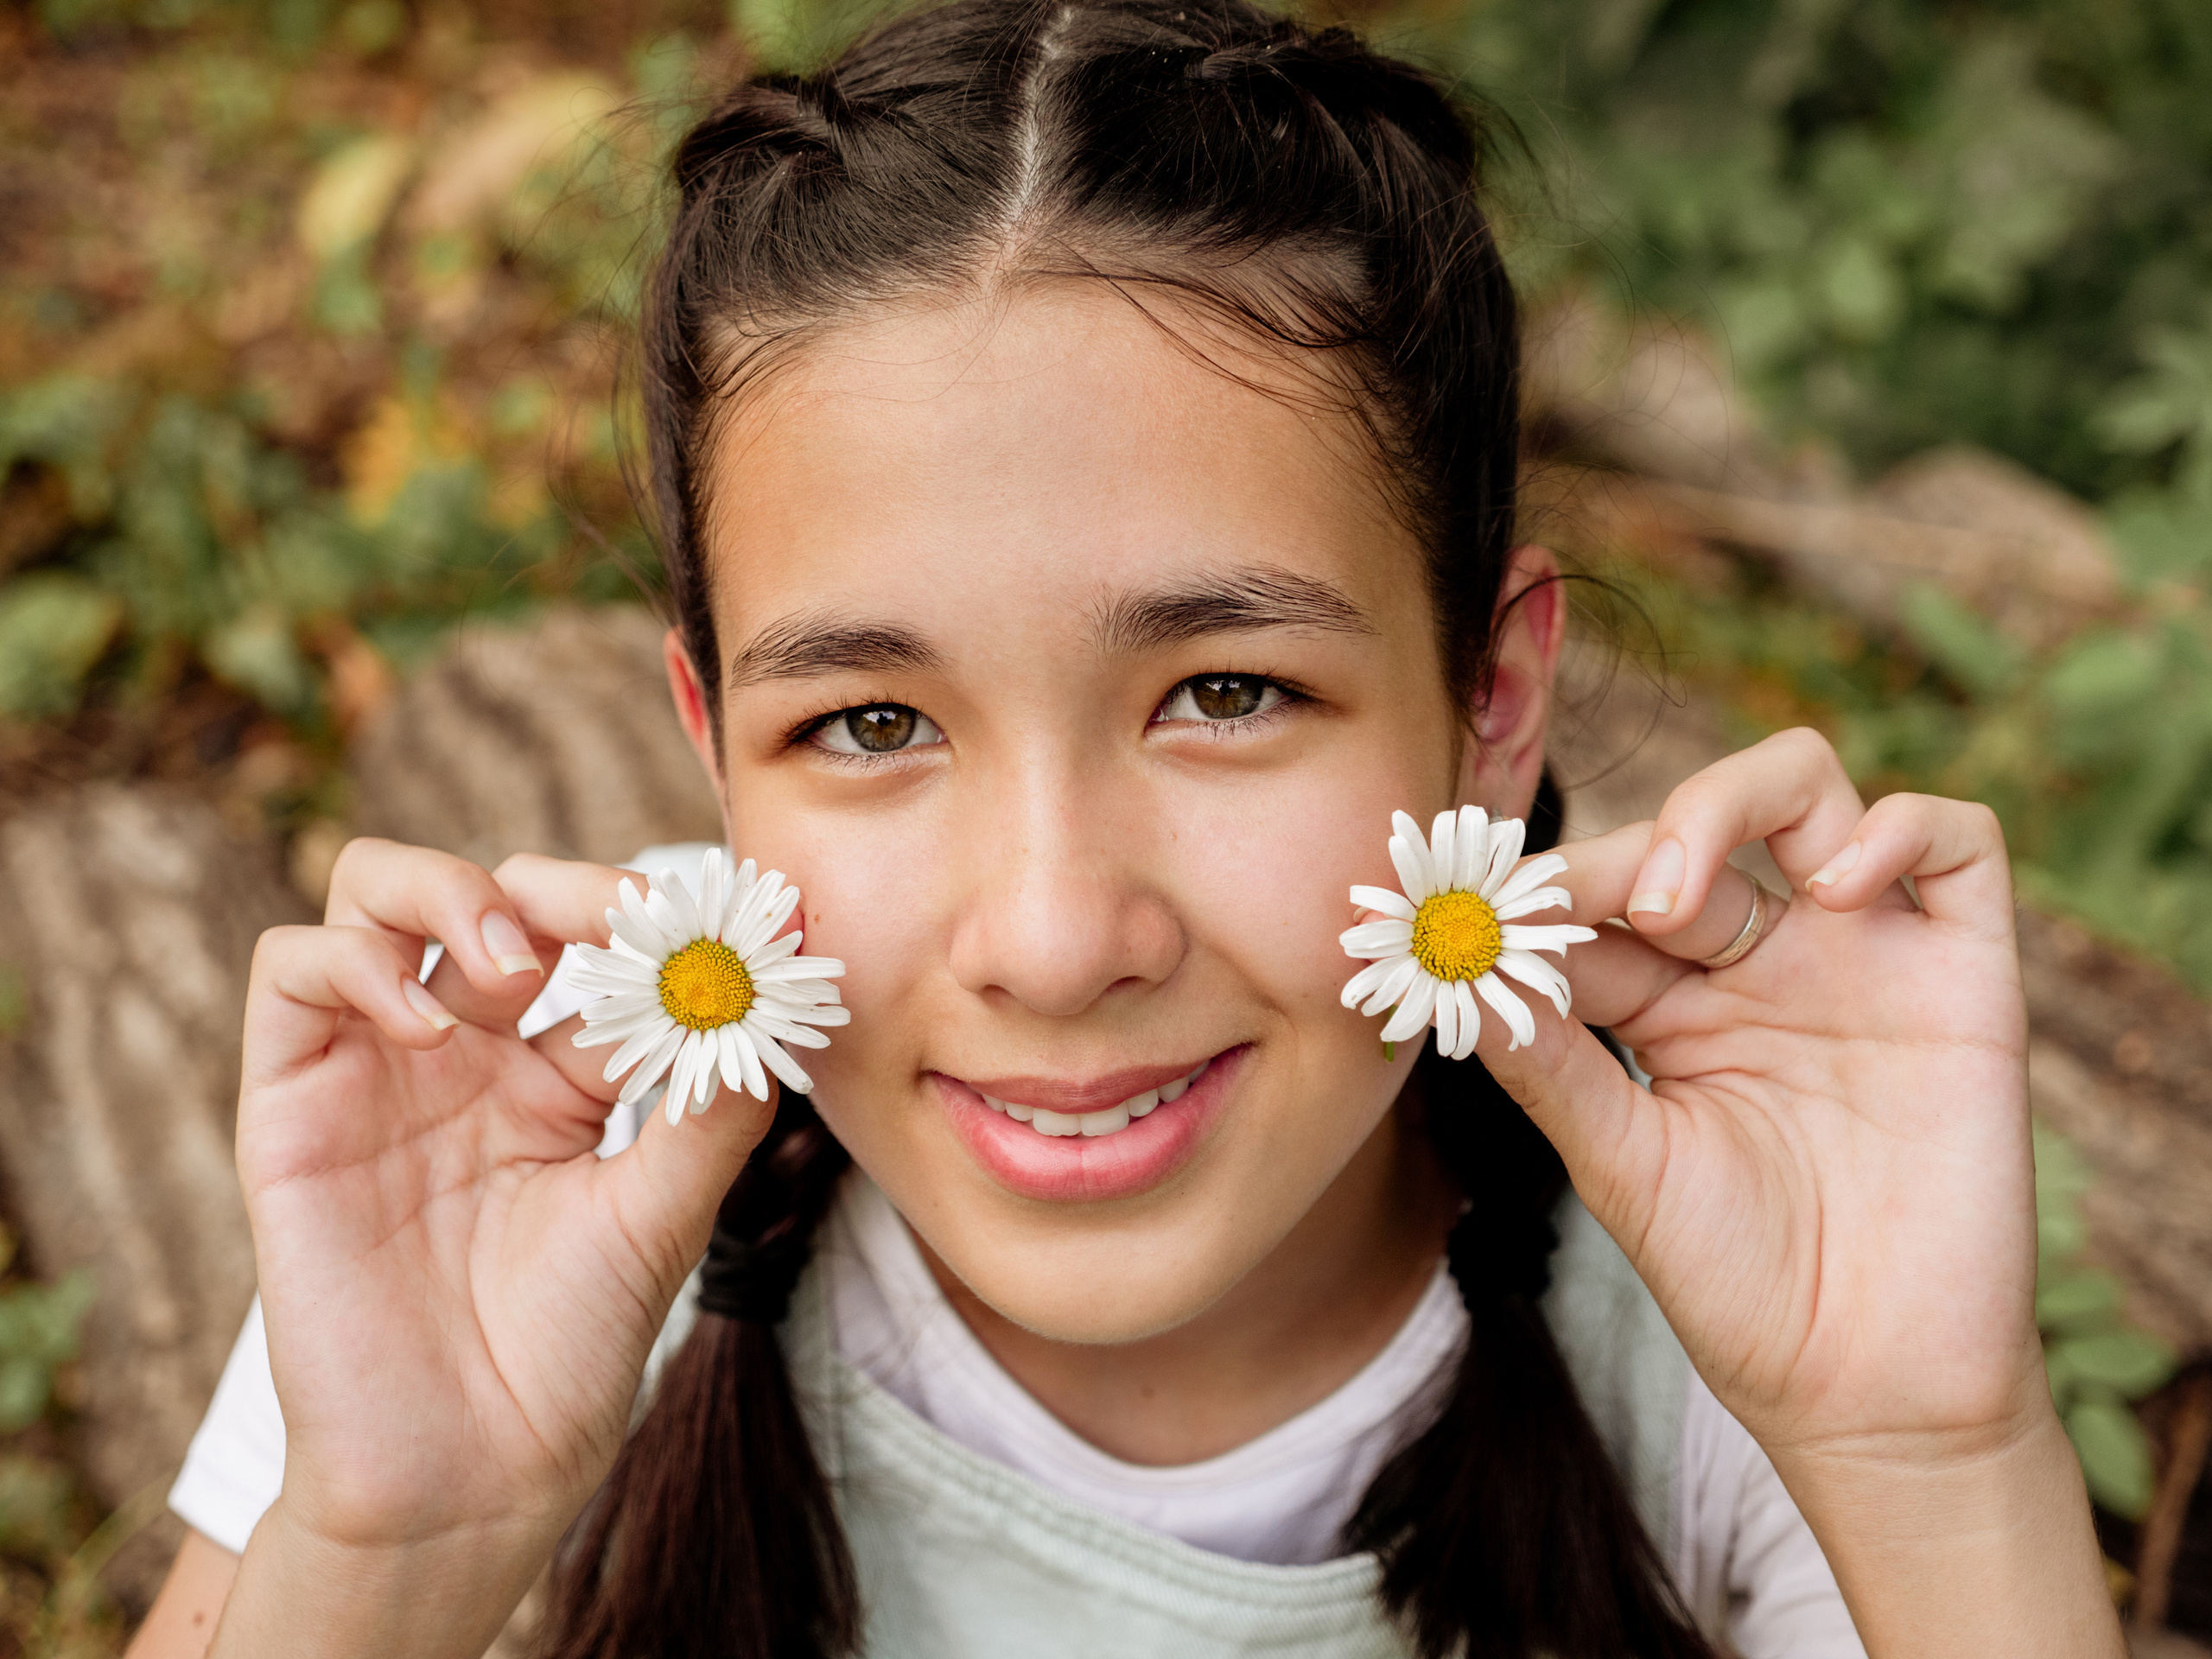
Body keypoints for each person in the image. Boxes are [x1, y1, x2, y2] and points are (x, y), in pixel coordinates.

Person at [126, 0, 2123, 1653]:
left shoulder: (1726, 1340)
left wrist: (1929, 1469)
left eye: (1224, 694)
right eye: (873, 719)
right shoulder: (505, 1263)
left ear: (1490, 703)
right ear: (714, 751)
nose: (1060, 934)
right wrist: (382, 1564)